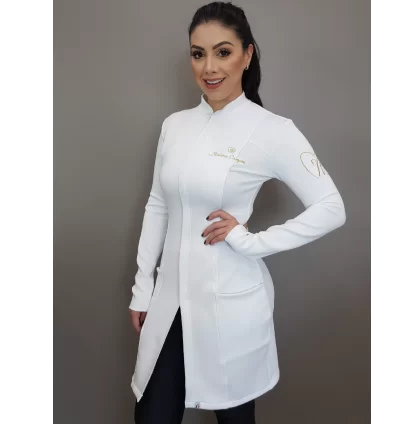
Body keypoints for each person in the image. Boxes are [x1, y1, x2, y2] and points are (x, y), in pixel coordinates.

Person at [129, 2, 346, 423]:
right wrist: (142, 286)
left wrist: (251, 242)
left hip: (228, 303)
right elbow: (158, 204)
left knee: (234, 417)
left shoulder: (273, 131)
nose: (209, 67)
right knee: (153, 413)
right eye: (198, 53)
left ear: (247, 55)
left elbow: (331, 207)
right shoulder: (174, 126)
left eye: (223, 52)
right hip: (169, 301)